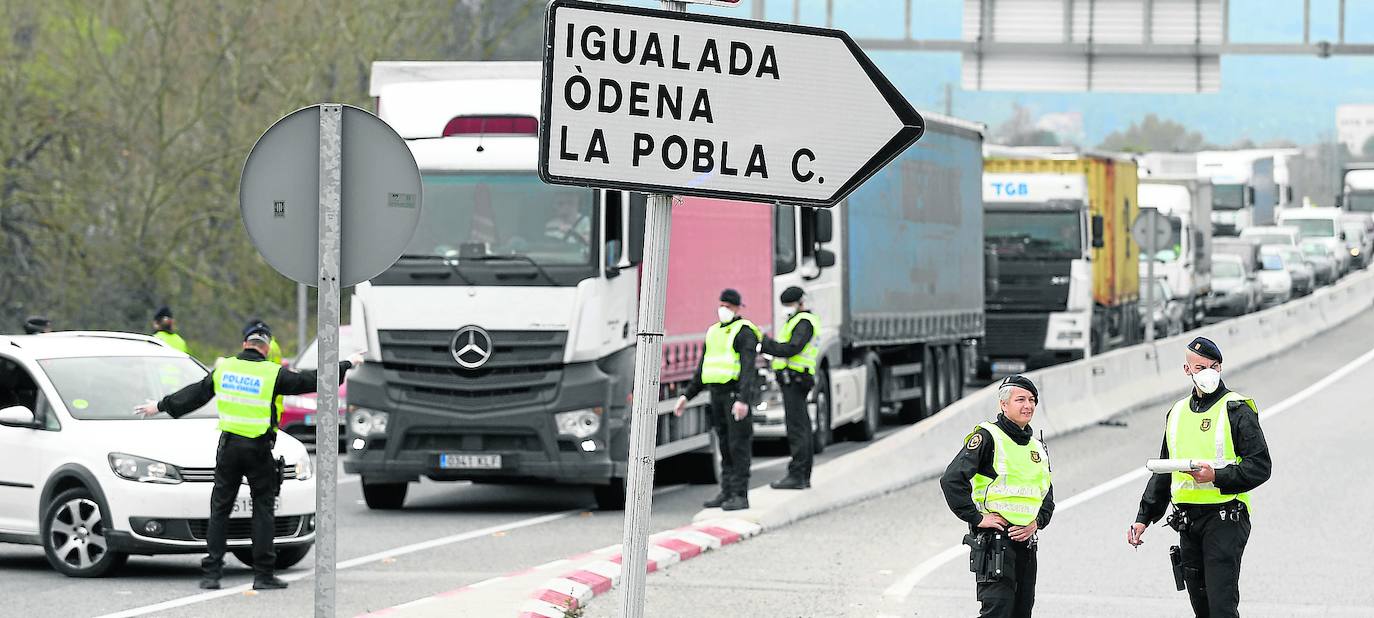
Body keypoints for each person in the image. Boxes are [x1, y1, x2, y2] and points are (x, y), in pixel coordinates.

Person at [134, 323, 363, 590]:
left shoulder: (225, 369)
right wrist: (347, 363)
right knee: (263, 511)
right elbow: (311, 380)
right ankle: (263, 575)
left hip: (229, 448)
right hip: (258, 450)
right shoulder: (272, 373)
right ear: (266, 347)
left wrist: (159, 406)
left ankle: (211, 575)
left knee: (219, 510)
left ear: (245, 343)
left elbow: (194, 395)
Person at [1127, 337, 1271, 618]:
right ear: (1187, 370)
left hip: (1225, 518)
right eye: (1200, 367)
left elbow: (1260, 466)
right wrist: (1144, 517)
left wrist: (1215, 476)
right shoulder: (1177, 413)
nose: (1208, 372)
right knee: (1201, 606)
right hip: (1188, 522)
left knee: (1221, 607)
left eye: (1214, 366)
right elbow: (1164, 471)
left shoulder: (1236, 409)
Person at [941, 375, 1054, 618]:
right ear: (1003, 404)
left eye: (1032, 400)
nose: (1028, 405)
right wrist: (976, 518)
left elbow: (1046, 495)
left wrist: (1036, 523)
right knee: (997, 614)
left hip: (1026, 545)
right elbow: (951, 479)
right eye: (1020, 399)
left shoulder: (1037, 447)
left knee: (1021, 613)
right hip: (995, 545)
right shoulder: (988, 437)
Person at [674, 288, 761, 512]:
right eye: (722, 305)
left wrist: (743, 400)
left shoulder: (744, 332)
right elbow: (703, 369)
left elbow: (748, 370)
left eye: (729, 306)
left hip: (734, 396)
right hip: (717, 394)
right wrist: (686, 395)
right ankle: (727, 491)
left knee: (738, 445)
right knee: (724, 445)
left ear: (738, 308)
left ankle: (740, 495)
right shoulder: (713, 332)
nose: (724, 310)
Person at [760, 286, 819, 490]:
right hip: (794, 378)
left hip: (796, 379)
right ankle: (802, 475)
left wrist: (766, 345)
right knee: (800, 426)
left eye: (789, 304)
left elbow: (792, 348)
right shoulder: (797, 321)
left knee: (797, 429)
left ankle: (798, 474)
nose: (786, 309)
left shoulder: (803, 323)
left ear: (800, 303)